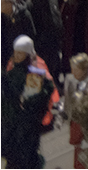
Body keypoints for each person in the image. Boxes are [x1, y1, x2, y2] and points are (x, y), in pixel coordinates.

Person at [1, 36, 56, 169]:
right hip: (10, 129)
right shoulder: (11, 73)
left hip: (25, 131)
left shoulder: (34, 75)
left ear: (27, 54)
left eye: (20, 53)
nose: (16, 55)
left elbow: (30, 104)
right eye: (15, 52)